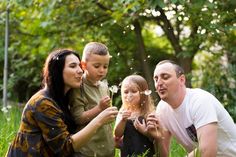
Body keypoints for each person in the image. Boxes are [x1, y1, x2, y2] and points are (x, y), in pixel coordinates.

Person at [6, 49, 118, 157]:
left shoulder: (67, 97)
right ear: (57, 71)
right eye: (73, 66)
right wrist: (99, 120)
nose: (80, 70)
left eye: (79, 66)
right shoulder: (43, 103)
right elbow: (64, 148)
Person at [147, 60, 236, 157]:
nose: (159, 83)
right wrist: (159, 140)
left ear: (181, 80)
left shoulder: (200, 101)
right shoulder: (162, 109)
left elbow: (208, 152)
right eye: (156, 79)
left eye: (165, 77)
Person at [69, 42, 114, 157]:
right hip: (87, 151)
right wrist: (99, 108)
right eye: (97, 66)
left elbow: (105, 119)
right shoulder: (79, 87)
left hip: (107, 149)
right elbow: (78, 118)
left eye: (105, 66)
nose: (102, 70)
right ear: (84, 65)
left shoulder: (104, 86)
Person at [114, 74, 156, 157]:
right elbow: (117, 134)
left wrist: (145, 131)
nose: (129, 95)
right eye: (126, 92)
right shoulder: (123, 112)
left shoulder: (149, 112)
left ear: (143, 93)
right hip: (128, 153)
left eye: (134, 91)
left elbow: (155, 137)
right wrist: (123, 120)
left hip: (146, 152)